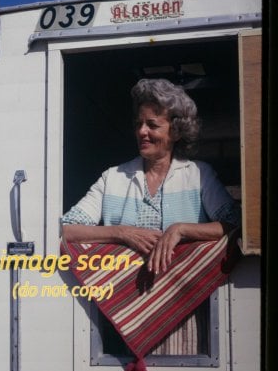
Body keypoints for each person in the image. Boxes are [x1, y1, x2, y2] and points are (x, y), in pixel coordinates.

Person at [61, 78, 240, 274]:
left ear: (176, 132)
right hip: (121, 291)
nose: (141, 131)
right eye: (139, 124)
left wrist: (180, 229)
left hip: (185, 291)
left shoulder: (198, 175)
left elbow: (234, 223)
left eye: (152, 125)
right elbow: (68, 229)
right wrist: (121, 232)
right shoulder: (112, 177)